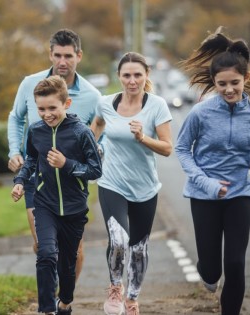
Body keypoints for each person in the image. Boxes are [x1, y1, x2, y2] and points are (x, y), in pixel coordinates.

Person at [175, 27, 250, 315]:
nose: (229, 90)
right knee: (212, 270)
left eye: (235, 83)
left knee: (237, 264)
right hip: (204, 196)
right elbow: (181, 150)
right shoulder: (200, 113)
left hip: (240, 193)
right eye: (222, 84)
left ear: (246, 79)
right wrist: (206, 182)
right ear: (214, 82)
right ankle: (208, 272)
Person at [7, 28, 101, 282]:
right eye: (57, 55)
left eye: (68, 56)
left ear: (79, 56)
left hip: (73, 183)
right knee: (42, 245)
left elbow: (101, 134)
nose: (62, 61)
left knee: (74, 249)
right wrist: (14, 150)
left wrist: (97, 150)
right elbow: (16, 118)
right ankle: (51, 294)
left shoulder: (93, 96)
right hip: (37, 177)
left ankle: (64, 299)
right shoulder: (30, 84)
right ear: (50, 54)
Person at [11, 75, 102, 315]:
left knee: (67, 266)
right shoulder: (36, 131)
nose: (46, 113)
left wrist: (67, 164)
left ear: (66, 104)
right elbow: (31, 159)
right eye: (41, 109)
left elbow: (95, 170)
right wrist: (20, 181)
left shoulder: (82, 133)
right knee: (45, 253)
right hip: (45, 204)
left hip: (74, 207)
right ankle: (47, 309)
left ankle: (65, 303)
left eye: (52, 107)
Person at [90, 52, 173, 315]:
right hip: (112, 182)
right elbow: (96, 128)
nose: (132, 80)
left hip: (145, 187)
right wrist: (90, 153)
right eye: (126, 75)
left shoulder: (157, 105)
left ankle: (133, 298)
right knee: (118, 240)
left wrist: (143, 138)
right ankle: (116, 288)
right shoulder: (105, 103)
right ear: (119, 77)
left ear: (146, 75)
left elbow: (167, 148)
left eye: (138, 74)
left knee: (138, 248)